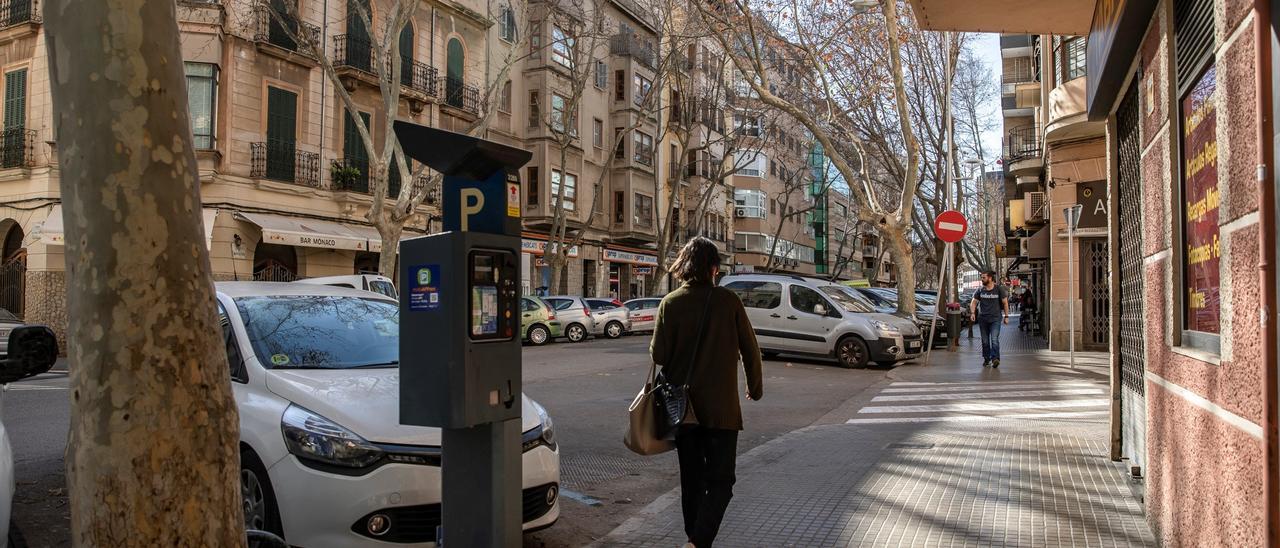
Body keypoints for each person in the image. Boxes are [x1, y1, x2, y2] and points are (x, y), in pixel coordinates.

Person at [650, 237, 763, 548]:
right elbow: (750, 350)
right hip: (722, 411)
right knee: (722, 482)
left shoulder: (669, 303)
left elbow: (658, 354)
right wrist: (755, 387)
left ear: (684, 267)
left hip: (683, 411)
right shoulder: (728, 301)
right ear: (714, 268)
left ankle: (694, 540)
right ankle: (698, 543)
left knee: (692, 482)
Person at [969, 270, 1009, 367]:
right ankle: (987, 358)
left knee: (994, 339)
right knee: (985, 341)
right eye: (981, 277)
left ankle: (995, 358)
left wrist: (1006, 316)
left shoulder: (998, 289)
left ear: (990, 278)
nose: (982, 279)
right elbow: (973, 302)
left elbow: (1005, 303)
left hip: (995, 318)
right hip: (983, 319)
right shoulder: (980, 290)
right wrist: (972, 313)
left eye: (984, 277)